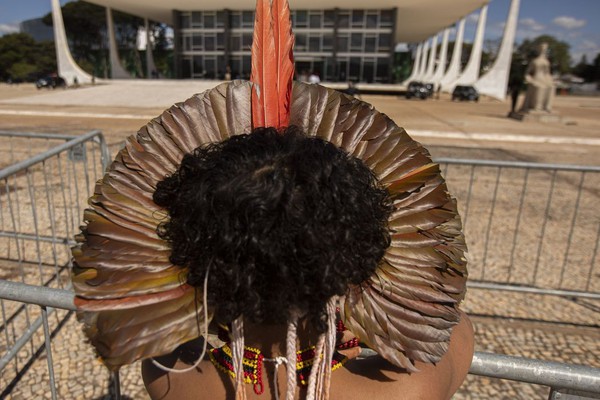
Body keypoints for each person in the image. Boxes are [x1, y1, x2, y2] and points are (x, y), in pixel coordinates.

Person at [71, 1, 472, 399]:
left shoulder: (171, 381)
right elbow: (453, 324)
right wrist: (354, 311)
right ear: (355, 256)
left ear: (195, 257)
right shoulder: (408, 390)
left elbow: (169, 343)